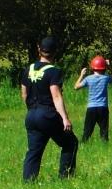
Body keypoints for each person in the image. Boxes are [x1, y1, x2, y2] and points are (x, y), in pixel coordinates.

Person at [21, 36, 78, 181]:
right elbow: (56, 96)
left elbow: (24, 94)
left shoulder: (28, 69)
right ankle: (65, 178)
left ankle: (28, 182)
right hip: (47, 115)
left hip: (31, 115)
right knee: (70, 143)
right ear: (55, 52)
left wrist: (32, 109)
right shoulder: (54, 71)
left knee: (34, 151)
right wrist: (65, 119)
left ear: (39, 50)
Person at [74, 55, 112, 142]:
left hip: (91, 108)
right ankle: (105, 147)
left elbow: (76, 87)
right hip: (103, 108)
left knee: (87, 132)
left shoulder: (88, 79)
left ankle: (84, 146)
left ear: (93, 67)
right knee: (104, 133)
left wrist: (81, 75)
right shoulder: (106, 78)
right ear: (104, 68)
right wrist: (109, 67)